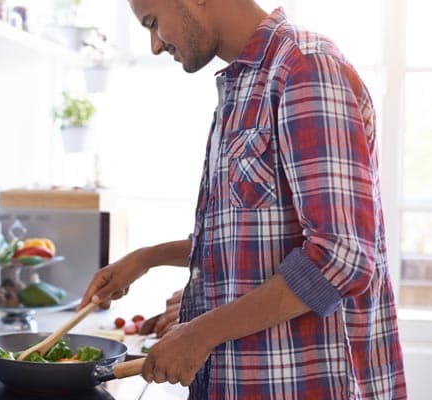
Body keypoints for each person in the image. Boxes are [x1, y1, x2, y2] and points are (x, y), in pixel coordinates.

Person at [78, 0, 407, 399]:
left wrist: (200, 333)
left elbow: (341, 258)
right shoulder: (244, 85)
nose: (155, 46)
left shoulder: (305, 68)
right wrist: (145, 258)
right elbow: (249, 246)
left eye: (152, 23)